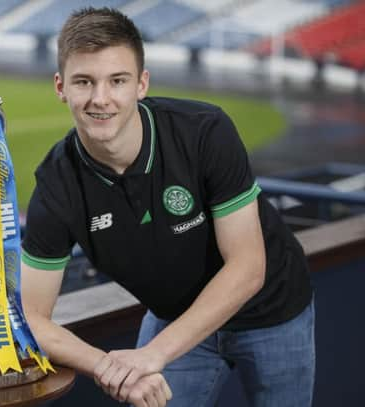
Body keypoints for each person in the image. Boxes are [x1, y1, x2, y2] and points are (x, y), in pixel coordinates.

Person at [20, 7, 314, 407]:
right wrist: (110, 366)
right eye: (84, 82)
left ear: (142, 83)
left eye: (117, 81)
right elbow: (32, 317)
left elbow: (248, 267)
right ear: (61, 87)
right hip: (174, 316)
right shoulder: (56, 184)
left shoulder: (204, 131)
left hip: (272, 311)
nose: (100, 99)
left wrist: (152, 356)